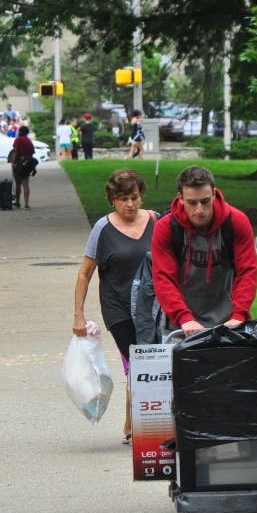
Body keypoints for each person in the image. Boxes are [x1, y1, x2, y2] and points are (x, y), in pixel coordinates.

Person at [73, 169, 157, 444]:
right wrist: (79, 314)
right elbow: (85, 273)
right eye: (122, 199)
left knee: (149, 362)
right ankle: (137, 425)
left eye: (133, 197)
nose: (129, 204)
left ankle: (137, 421)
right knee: (139, 362)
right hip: (118, 307)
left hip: (152, 307)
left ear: (141, 196)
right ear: (112, 200)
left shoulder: (155, 221)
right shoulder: (103, 229)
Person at [152, 165, 257, 337]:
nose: (199, 210)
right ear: (180, 198)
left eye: (205, 201)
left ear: (214, 194)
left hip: (228, 321)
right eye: (192, 203)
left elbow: (247, 271)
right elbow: (163, 277)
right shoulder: (166, 228)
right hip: (179, 324)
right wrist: (183, 317)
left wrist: (239, 314)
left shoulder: (236, 222)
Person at [11, 125, 35, 209]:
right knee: (26, 184)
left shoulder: (18, 140)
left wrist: (14, 162)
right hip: (27, 163)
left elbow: (16, 151)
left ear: (20, 132)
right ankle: (26, 203)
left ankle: (17, 202)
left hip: (19, 163)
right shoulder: (28, 141)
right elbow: (32, 151)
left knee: (18, 184)